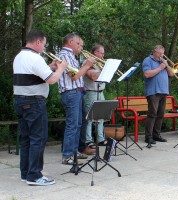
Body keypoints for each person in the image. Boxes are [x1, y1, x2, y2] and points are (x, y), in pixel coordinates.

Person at [13, 30, 67, 185]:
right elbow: (52, 80)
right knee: (38, 138)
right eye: (44, 44)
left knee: (26, 139)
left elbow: (33, 75)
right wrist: (61, 68)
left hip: (20, 101)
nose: (44, 47)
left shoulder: (20, 56)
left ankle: (26, 173)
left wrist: (49, 66)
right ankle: (35, 176)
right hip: (34, 103)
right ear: (38, 42)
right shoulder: (35, 58)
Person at [57, 33, 95, 165]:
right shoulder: (64, 55)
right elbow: (74, 76)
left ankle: (74, 152)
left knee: (78, 124)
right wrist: (87, 65)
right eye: (79, 44)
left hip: (77, 92)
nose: (81, 47)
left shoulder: (72, 56)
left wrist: (85, 66)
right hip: (71, 92)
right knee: (72, 125)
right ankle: (67, 155)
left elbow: (77, 74)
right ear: (70, 42)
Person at [142, 45, 174, 144]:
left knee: (160, 114)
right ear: (154, 52)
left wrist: (166, 65)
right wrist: (160, 68)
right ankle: (148, 136)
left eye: (162, 53)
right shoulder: (148, 60)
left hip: (163, 91)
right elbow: (147, 74)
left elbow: (171, 74)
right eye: (159, 53)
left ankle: (156, 135)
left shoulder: (163, 61)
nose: (161, 55)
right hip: (153, 91)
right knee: (152, 114)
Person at [83, 44, 107, 148]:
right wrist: (105, 70)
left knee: (101, 116)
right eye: (101, 53)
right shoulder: (87, 62)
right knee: (90, 117)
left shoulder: (99, 63)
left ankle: (100, 139)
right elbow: (92, 76)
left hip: (100, 91)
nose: (103, 55)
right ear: (95, 52)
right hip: (91, 92)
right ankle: (88, 140)